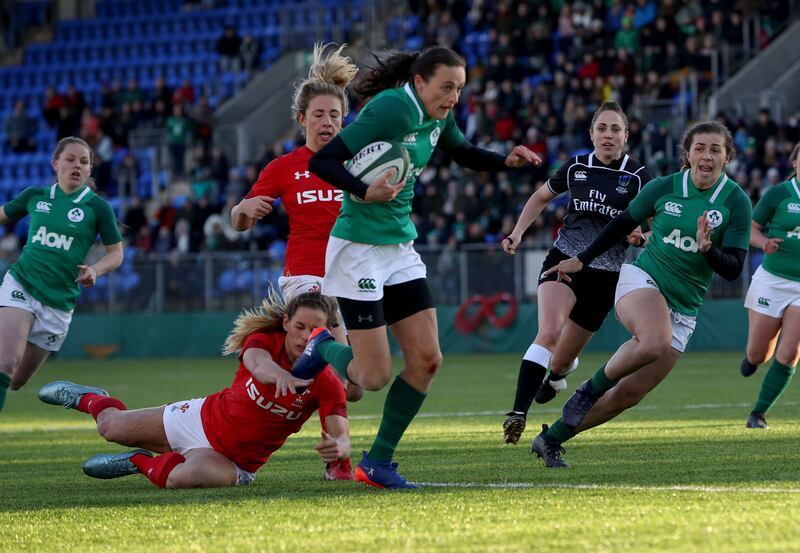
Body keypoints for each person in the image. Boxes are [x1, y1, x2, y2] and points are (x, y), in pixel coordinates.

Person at [302, 45, 541, 488]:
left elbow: (462, 151)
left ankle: (378, 463)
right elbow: (322, 161)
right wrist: (363, 190)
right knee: (373, 377)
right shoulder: (392, 109)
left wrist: (504, 160)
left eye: (460, 89)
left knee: (428, 360)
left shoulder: (438, 116)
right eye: (446, 87)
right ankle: (321, 345)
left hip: (398, 249)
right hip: (358, 248)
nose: (453, 97)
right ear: (419, 83)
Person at [530, 121, 752, 467]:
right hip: (643, 281)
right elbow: (620, 224)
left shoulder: (736, 202)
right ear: (687, 154)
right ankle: (590, 388)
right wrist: (582, 260)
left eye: (715, 149)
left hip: (685, 308)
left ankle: (551, 438)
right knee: (653, 341)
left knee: (630, 394)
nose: (706, 156)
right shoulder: (664, 187)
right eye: (700, 148)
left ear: (728, 157)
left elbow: (733, 267)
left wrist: (708, 250)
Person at [37, 292, 351, 489]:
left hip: (232, 462)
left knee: (182, 478)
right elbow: (257, 364)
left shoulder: (325, 382)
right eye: (299, 327)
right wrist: (282, 376)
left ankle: (136, 462)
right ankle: (89, 398)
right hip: (200, 419)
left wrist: (337, 451)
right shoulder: (265, 340)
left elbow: (341, 436)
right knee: (109, 426)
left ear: (325, 333)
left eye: (314, 330)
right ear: (285, 323)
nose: (304, 336)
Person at [230, 43, 361, 480]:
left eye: (335, 116)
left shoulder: (356, 163)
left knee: (356, 384)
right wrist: (247, 212)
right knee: (337, 367)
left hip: (353, 276)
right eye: (319, 115)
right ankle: (338, 462)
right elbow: (239, 217)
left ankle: (293, 377)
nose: (327, 122)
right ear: (302, 119)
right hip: (306, 280)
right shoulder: (286, 167)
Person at [500, 102, 652, 445]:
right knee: (548, 332)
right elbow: (540, 197)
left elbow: (658, 229)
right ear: (592, 134)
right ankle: (518, 413)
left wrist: (641, 236)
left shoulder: (639, 177)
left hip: (604, 278)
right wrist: (518, 233)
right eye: (602, 128)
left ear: (626, 137)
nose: (608, 135)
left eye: (615, 129)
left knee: (563, 359)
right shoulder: (576, 168)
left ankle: (556, 376)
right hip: (563, 260)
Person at [0, 137, 123, 413]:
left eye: (84, 161)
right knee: (6, 362)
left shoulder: (97, 208)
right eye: (70, 159)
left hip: (58, 305)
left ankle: (79, 394)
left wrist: (95, 269)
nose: (76, 165)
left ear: (90, 170)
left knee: (16, 380)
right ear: (56, 164)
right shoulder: (35, 196)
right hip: (22, 283)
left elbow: (116, 254)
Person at [739, 141, 800, 429]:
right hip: (772, 281)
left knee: (789, 353)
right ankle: (752, 359)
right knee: (759, 353)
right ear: (795, 163)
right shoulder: (778, 194)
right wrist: (764, 243)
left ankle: (758, 413)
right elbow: (750, 228)